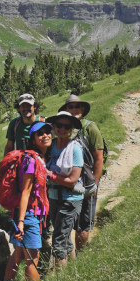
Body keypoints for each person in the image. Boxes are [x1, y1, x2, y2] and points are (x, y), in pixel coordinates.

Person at [2, 121, 52, 281]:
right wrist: (21, 222)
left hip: (25, 214)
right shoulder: (32, 161)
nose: (45, 135)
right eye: (40, 134)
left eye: (47, 132)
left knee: (17, 255)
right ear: (33, 139)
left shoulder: (38, 158)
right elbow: (25, 192)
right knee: (32, 258)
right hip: (28, 215)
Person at [59, 95, 104, 251]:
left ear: (83, 109)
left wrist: (94, 185)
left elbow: (99, 158)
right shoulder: (62, 127)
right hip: (65, 183)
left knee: (82, 225)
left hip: (85, 184)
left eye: (77, 106)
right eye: (70, 107)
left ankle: (81, 257)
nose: (74, 110)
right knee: (65, 223)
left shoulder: (90, 128)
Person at [45, 111, 83, 267]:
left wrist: (50, 175)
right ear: (53, 126)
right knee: (64, 237)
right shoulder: (51, 146)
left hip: (70, 200)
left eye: (66, 126)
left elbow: (73, 180)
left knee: (58, 240)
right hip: (53, 196)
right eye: (59, 125)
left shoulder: (75, 149)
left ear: (71, 129)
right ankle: (73, 270)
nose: (62, 129)